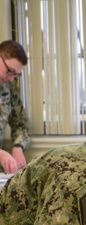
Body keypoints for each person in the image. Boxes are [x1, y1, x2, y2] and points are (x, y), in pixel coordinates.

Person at [0, 40, 30, 174]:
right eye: (10, 71)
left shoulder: (8, 86)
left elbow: (20, 123)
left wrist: (18, 146)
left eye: (15, 74)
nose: (11, 78)